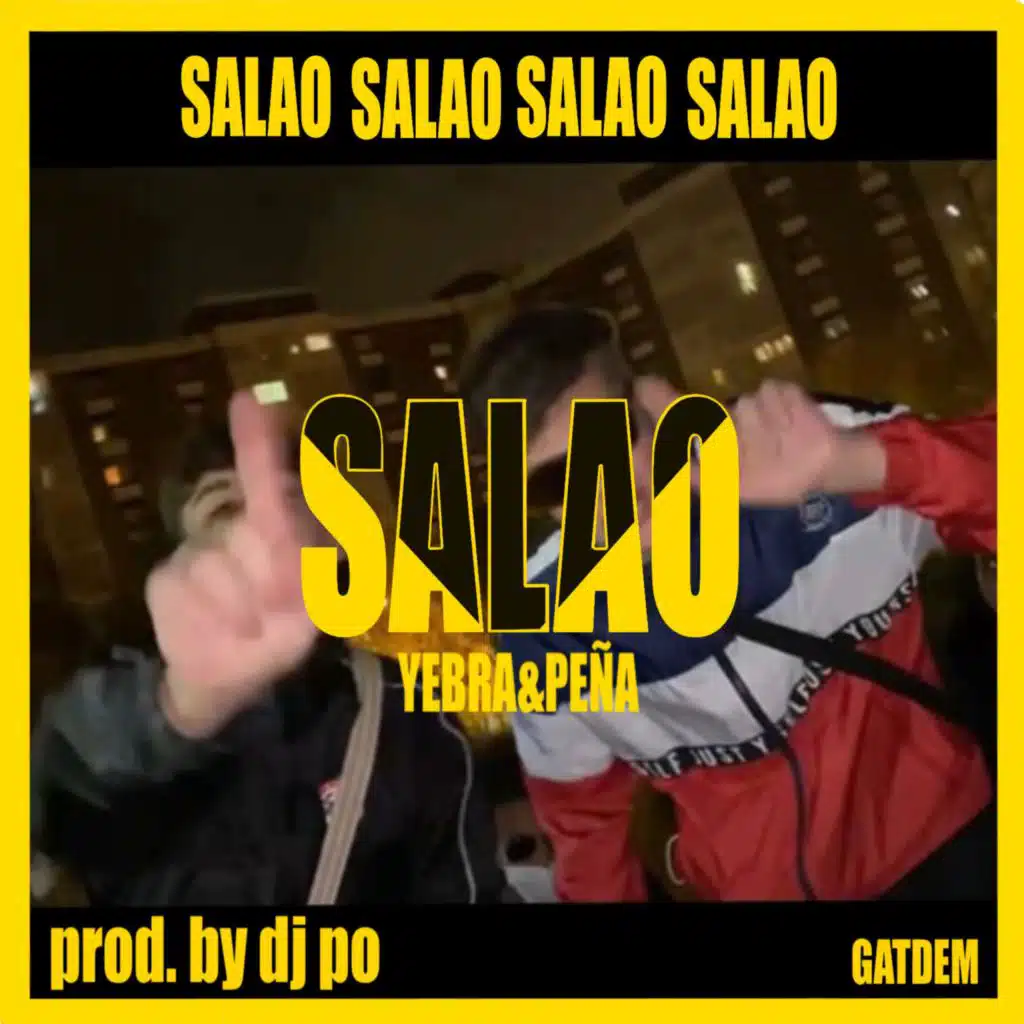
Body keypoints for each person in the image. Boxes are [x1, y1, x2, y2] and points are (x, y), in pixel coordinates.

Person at [458, 304, 996, 902]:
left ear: (649, 405)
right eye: (554, 480)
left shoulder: (810, 448)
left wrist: (861, 464)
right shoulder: (545, 624)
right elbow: (583, 823)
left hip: (948, 850)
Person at [32, 391, 508, 906]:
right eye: (222, 507)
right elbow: (55, 796)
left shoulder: (405, 713)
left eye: (290, 505)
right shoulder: (107, 711)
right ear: (181, 550)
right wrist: (177, 709)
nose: (256, 534)